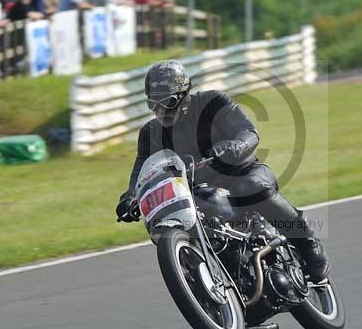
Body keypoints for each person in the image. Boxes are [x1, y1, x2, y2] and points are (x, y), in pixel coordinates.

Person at [115, 61, 330, 282]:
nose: (161, 111)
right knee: (178, 221)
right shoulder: (150, 132)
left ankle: (307, 242)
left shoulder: (213, 102)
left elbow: (248, 132)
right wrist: (131, 197)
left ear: (183, 94)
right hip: (196, 192)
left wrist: (233, 147)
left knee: (252, 187)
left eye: (168, 102)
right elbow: (142, 170)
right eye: (153, 105)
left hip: (241, 173)